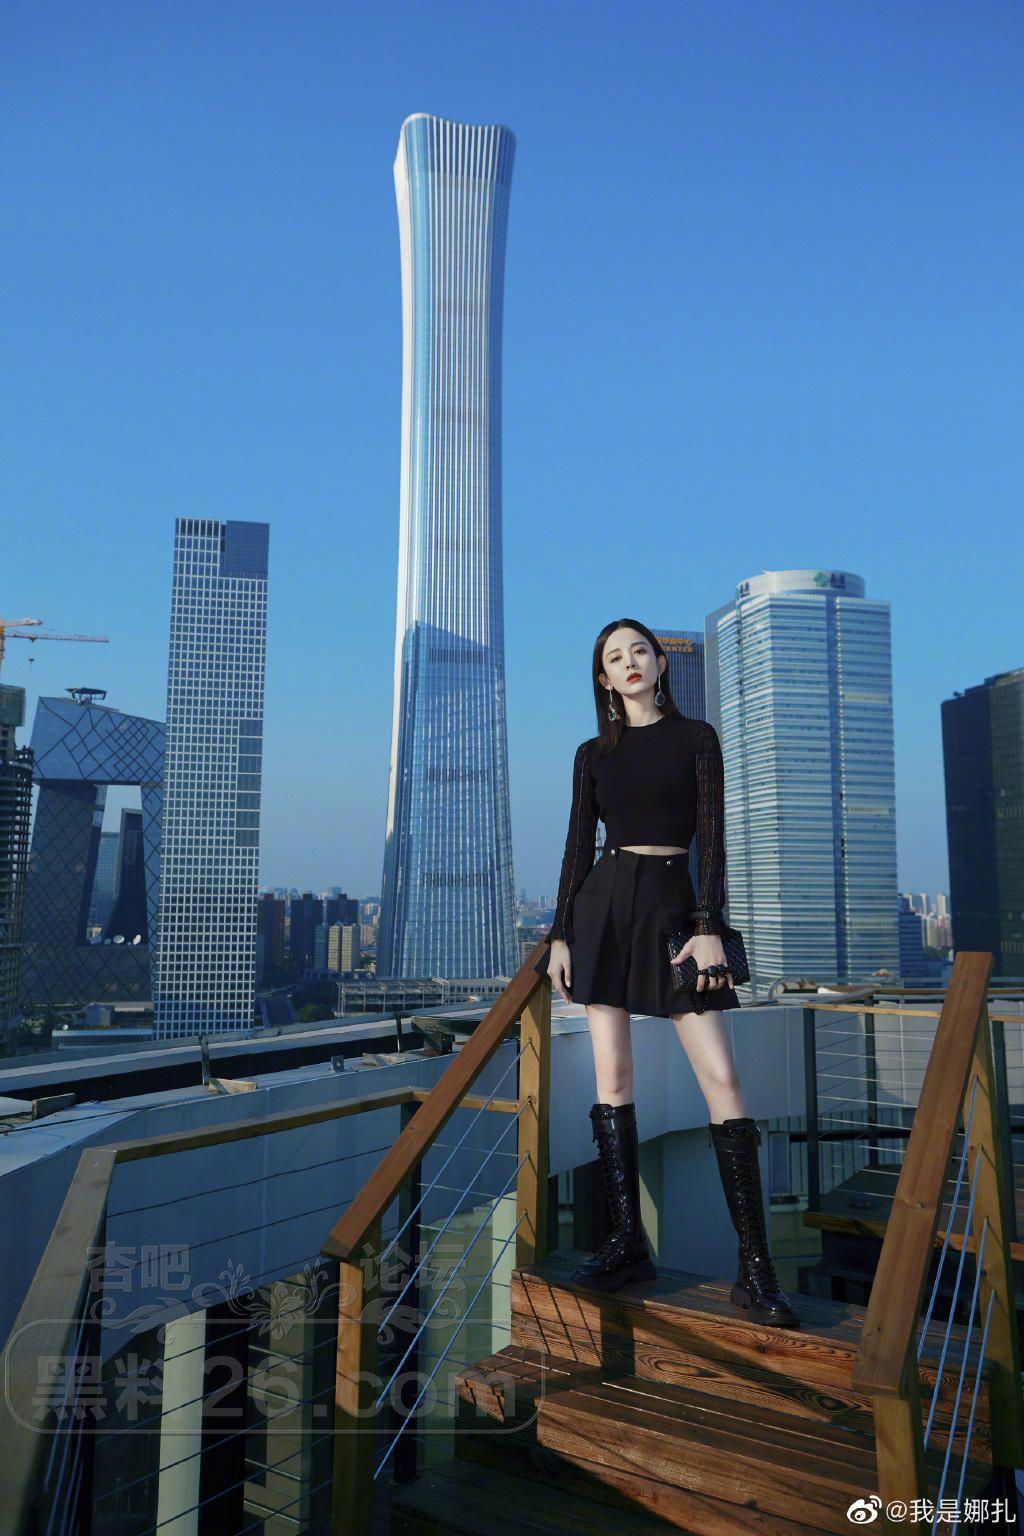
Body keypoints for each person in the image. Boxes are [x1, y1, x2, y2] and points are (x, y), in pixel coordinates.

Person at [534, 618, 799, 1328]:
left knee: (723, 1080)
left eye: (639, 651)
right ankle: (627, 1242)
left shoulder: (696, 739)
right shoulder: (592, 754)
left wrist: (708, 926)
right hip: (603, 908)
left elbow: (712, 838)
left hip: (675, 911)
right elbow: (576, 847)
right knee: (613, 1080)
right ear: (603, 677)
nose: (629, 663)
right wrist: (559, 935)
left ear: (659, 664)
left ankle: (755, 1267)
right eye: (614, 657)